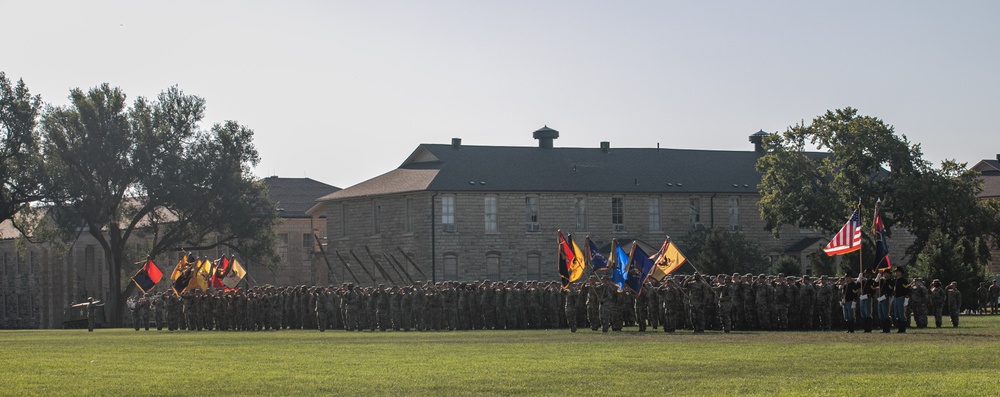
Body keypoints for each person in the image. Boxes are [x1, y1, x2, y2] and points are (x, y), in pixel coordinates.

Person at [891, 268, 910, 333]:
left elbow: (907, 288)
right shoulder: (894, 280)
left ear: (901, 273)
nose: (896, 273)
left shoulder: (903, 280)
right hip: (895, 298)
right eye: (895, 272)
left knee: (901, 313)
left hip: (901, 297)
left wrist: (906, 297)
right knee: (897, 314)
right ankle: (899, 328)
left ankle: (903, 328)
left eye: (897, 272)